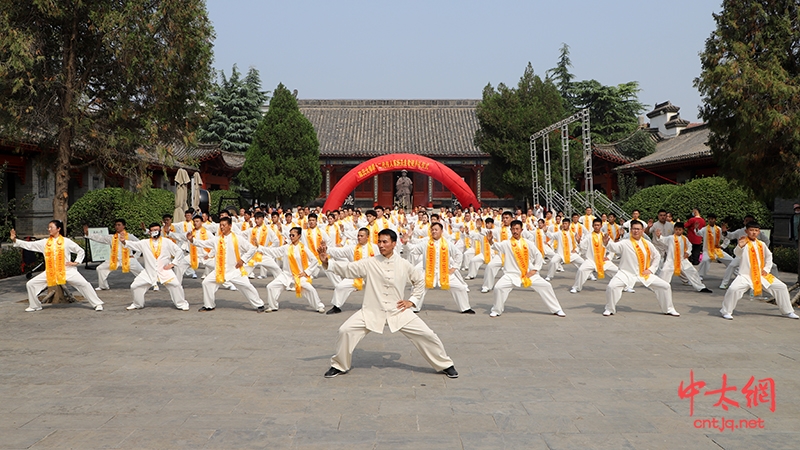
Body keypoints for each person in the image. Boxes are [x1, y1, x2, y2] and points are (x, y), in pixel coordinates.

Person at [318, 229, 458, 379]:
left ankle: (445, 364)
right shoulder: (370, 262)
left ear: (393, 244)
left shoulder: (404, 264)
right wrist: (327, 261)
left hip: (398, 311)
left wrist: (412, 301)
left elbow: (419, 281)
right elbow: (348, 269)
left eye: (385, 242)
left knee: (427, 334)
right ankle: (339, 365)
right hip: (371, 310)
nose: (381, 245)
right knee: (345, 330)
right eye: (379, 241)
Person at [11, 221, 104, 312]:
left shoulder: (66, 241)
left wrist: (76, 262)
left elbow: (80, 251)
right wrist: (15, 240)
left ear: (58, 229)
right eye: (48, 227)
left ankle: (97, 304)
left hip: (67, 270)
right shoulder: (45, 242)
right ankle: (35, 305)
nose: (49, 229)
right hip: (51, 272)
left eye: (51, 227)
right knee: (31, 284)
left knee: (84, 284)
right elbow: (29, 245)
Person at [486, 220, 565, 317]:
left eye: (517, 229)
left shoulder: (528, 243)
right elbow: (495, 246)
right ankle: (496, 310)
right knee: (498, 287)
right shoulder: (506, 243)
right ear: (510, 230)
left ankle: (556, 309)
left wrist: (534, 270)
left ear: (521, 230)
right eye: (513, 229)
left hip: (528, 274)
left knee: (546, 285)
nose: (515, 231)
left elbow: (538, 256)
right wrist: (490, 240)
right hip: (511, 275)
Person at [720, 222, 798, 320]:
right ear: (746, 231)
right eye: (751, 230)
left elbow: (769, 257)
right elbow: (737, 254)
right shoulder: (744, 243)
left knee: (781, 287)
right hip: (745, 276)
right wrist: (739, 246)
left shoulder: (761, 244)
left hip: (761, 275)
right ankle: (726, 311)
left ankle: (788, 311)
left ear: (759, 232)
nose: (754, 233)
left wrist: (766, 269)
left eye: (756, 230)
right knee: (733, 289)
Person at [187, 217, 266, 312]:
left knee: (247, 286)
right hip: (220, 271)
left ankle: (259, 305)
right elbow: (204, 243)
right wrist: (192, 240)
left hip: (235, 270)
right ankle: (209, 305)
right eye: (220, 225)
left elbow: (252, 248)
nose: (222, 227)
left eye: (224, 225)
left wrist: (243, 260)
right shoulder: (217, 239)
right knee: (206, 282)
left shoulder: (238, 238)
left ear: (230, 226)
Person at [602, 220, 680, 317]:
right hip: (626, 273)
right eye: (634, 229)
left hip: (644, 274)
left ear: (642, 230)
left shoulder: (647, 243)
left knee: (665, 286)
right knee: (611, 286)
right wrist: (606, 243)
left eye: (638, 229)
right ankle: (609, 308)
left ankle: (669, 309)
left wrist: (651, 270)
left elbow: (657, 256)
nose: (636, 231)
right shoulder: (625, 242)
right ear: (630, 230)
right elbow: (614, 247)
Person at [401, 222, 474, 314]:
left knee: (460, 288)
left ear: (441, 231)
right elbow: (414, 250)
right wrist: (406, 242)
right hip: (427, 272)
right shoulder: (425, 243)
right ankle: (414, 308)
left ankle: (465, 308)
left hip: (444, 273)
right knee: (417, 288)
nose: (434, 231)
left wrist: (454, 268)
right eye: (432, 230)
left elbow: (458, 254)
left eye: (436, 230)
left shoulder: (447, 243)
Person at [120, 223, 189, 310]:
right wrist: (123, 241)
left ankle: (181, 304)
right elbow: (133, 244)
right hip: (149, 271)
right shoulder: (144, 243)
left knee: (176, 284)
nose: (155, 232)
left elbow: (178, 251)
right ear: (149, 232)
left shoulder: (166, 241)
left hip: (164, 270)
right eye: (153, 230)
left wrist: (173, 263)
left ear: (160, 231)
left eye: (157, 230)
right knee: (135, 286)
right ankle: (137, 304)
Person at [257, 227, 326, 313]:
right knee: (270, 286)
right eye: (290, 235)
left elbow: (314, 260)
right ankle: (272, 306)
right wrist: (259, 247)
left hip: (299, 275)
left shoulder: (303, 248)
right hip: (286, 275)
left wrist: (306, 272)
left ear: (299, 236)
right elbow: (274, 251)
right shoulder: (286, 247)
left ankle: (319, 306)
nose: (291, 237)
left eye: (293, 235)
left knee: (310, 289)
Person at [323, 228, 379, 314]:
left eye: (361, 236)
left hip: (371, 275)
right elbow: (339, 252)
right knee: (340, 287)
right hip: (355, 275)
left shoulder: (375, 247)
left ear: (367, 237)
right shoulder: (352, 248)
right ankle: (336, 306)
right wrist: (326, 249)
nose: (359, 238)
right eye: (358, 236)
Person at [83, 219, 144, 290]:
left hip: (128, 259)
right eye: (116, 225)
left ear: (124, 226)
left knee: (142, 272)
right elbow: (101, 238)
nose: (117, 227)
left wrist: (135, 256)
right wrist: (88, 234)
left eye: (119, 225)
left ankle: (153, 284)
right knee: (100, 268)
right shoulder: (112, 237)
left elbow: (140, 245)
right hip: (115, 260)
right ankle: (103, 286)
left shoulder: (130, 236)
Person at [655, 223, 712, 294]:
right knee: (664, 272)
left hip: (682, 260)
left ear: (683, 230)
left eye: (680, 230)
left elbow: (690, 246)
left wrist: (688, 252)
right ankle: (660, 287)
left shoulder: (685, 239)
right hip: (671, 260)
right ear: (674, 230)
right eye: (676, 229)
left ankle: (700, 287)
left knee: (692, 271)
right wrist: (659, 236)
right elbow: (662, 239)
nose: (678, 231)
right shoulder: (670, 238)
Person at [570, 219, 619, 293]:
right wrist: (579, 241)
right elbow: (583, 246)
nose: (596, 227)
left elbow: (612, 247)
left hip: (603, 261)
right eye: (595, 225)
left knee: (617, 271)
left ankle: (623, 286)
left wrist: (609, 257)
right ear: (593, 226)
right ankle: (576, 287)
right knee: (581, 270)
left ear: (601, 226)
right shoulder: (589, 236)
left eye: (598, 225)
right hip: (591, 260)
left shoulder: (605, 236)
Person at [696, 213, 733, 283]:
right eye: (709, 219)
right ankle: (700, 275)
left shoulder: (719, 229)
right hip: (707, 250)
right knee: (704, 260)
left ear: (715, 220)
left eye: (712, 219)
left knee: (731, 260)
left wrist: (722, 246)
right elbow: (698, 233)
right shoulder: (704, 229)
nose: (710, 220)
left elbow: (726, 238)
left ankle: (738, 275)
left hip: (717, 250)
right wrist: (697, 229)